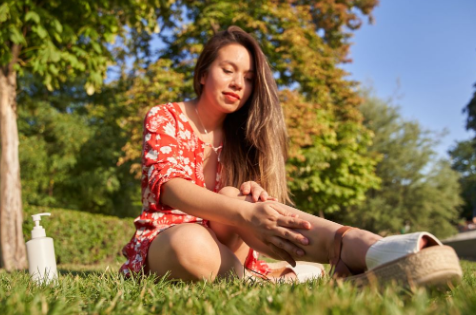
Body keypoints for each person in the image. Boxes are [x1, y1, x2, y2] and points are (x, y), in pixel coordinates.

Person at [120, 26, 462, 286]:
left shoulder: (243, 137)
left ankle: (355, 244)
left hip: (227, 244)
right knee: (191, 243)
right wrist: (243, 210)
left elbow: (247, 220)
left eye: (249, 78)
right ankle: (261, 280)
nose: (239, 83)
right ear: (202, 74)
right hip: (168, 239)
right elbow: (170, 188)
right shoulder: (166, 116)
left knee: (233, 195)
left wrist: (249, 196)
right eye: (228, 70)